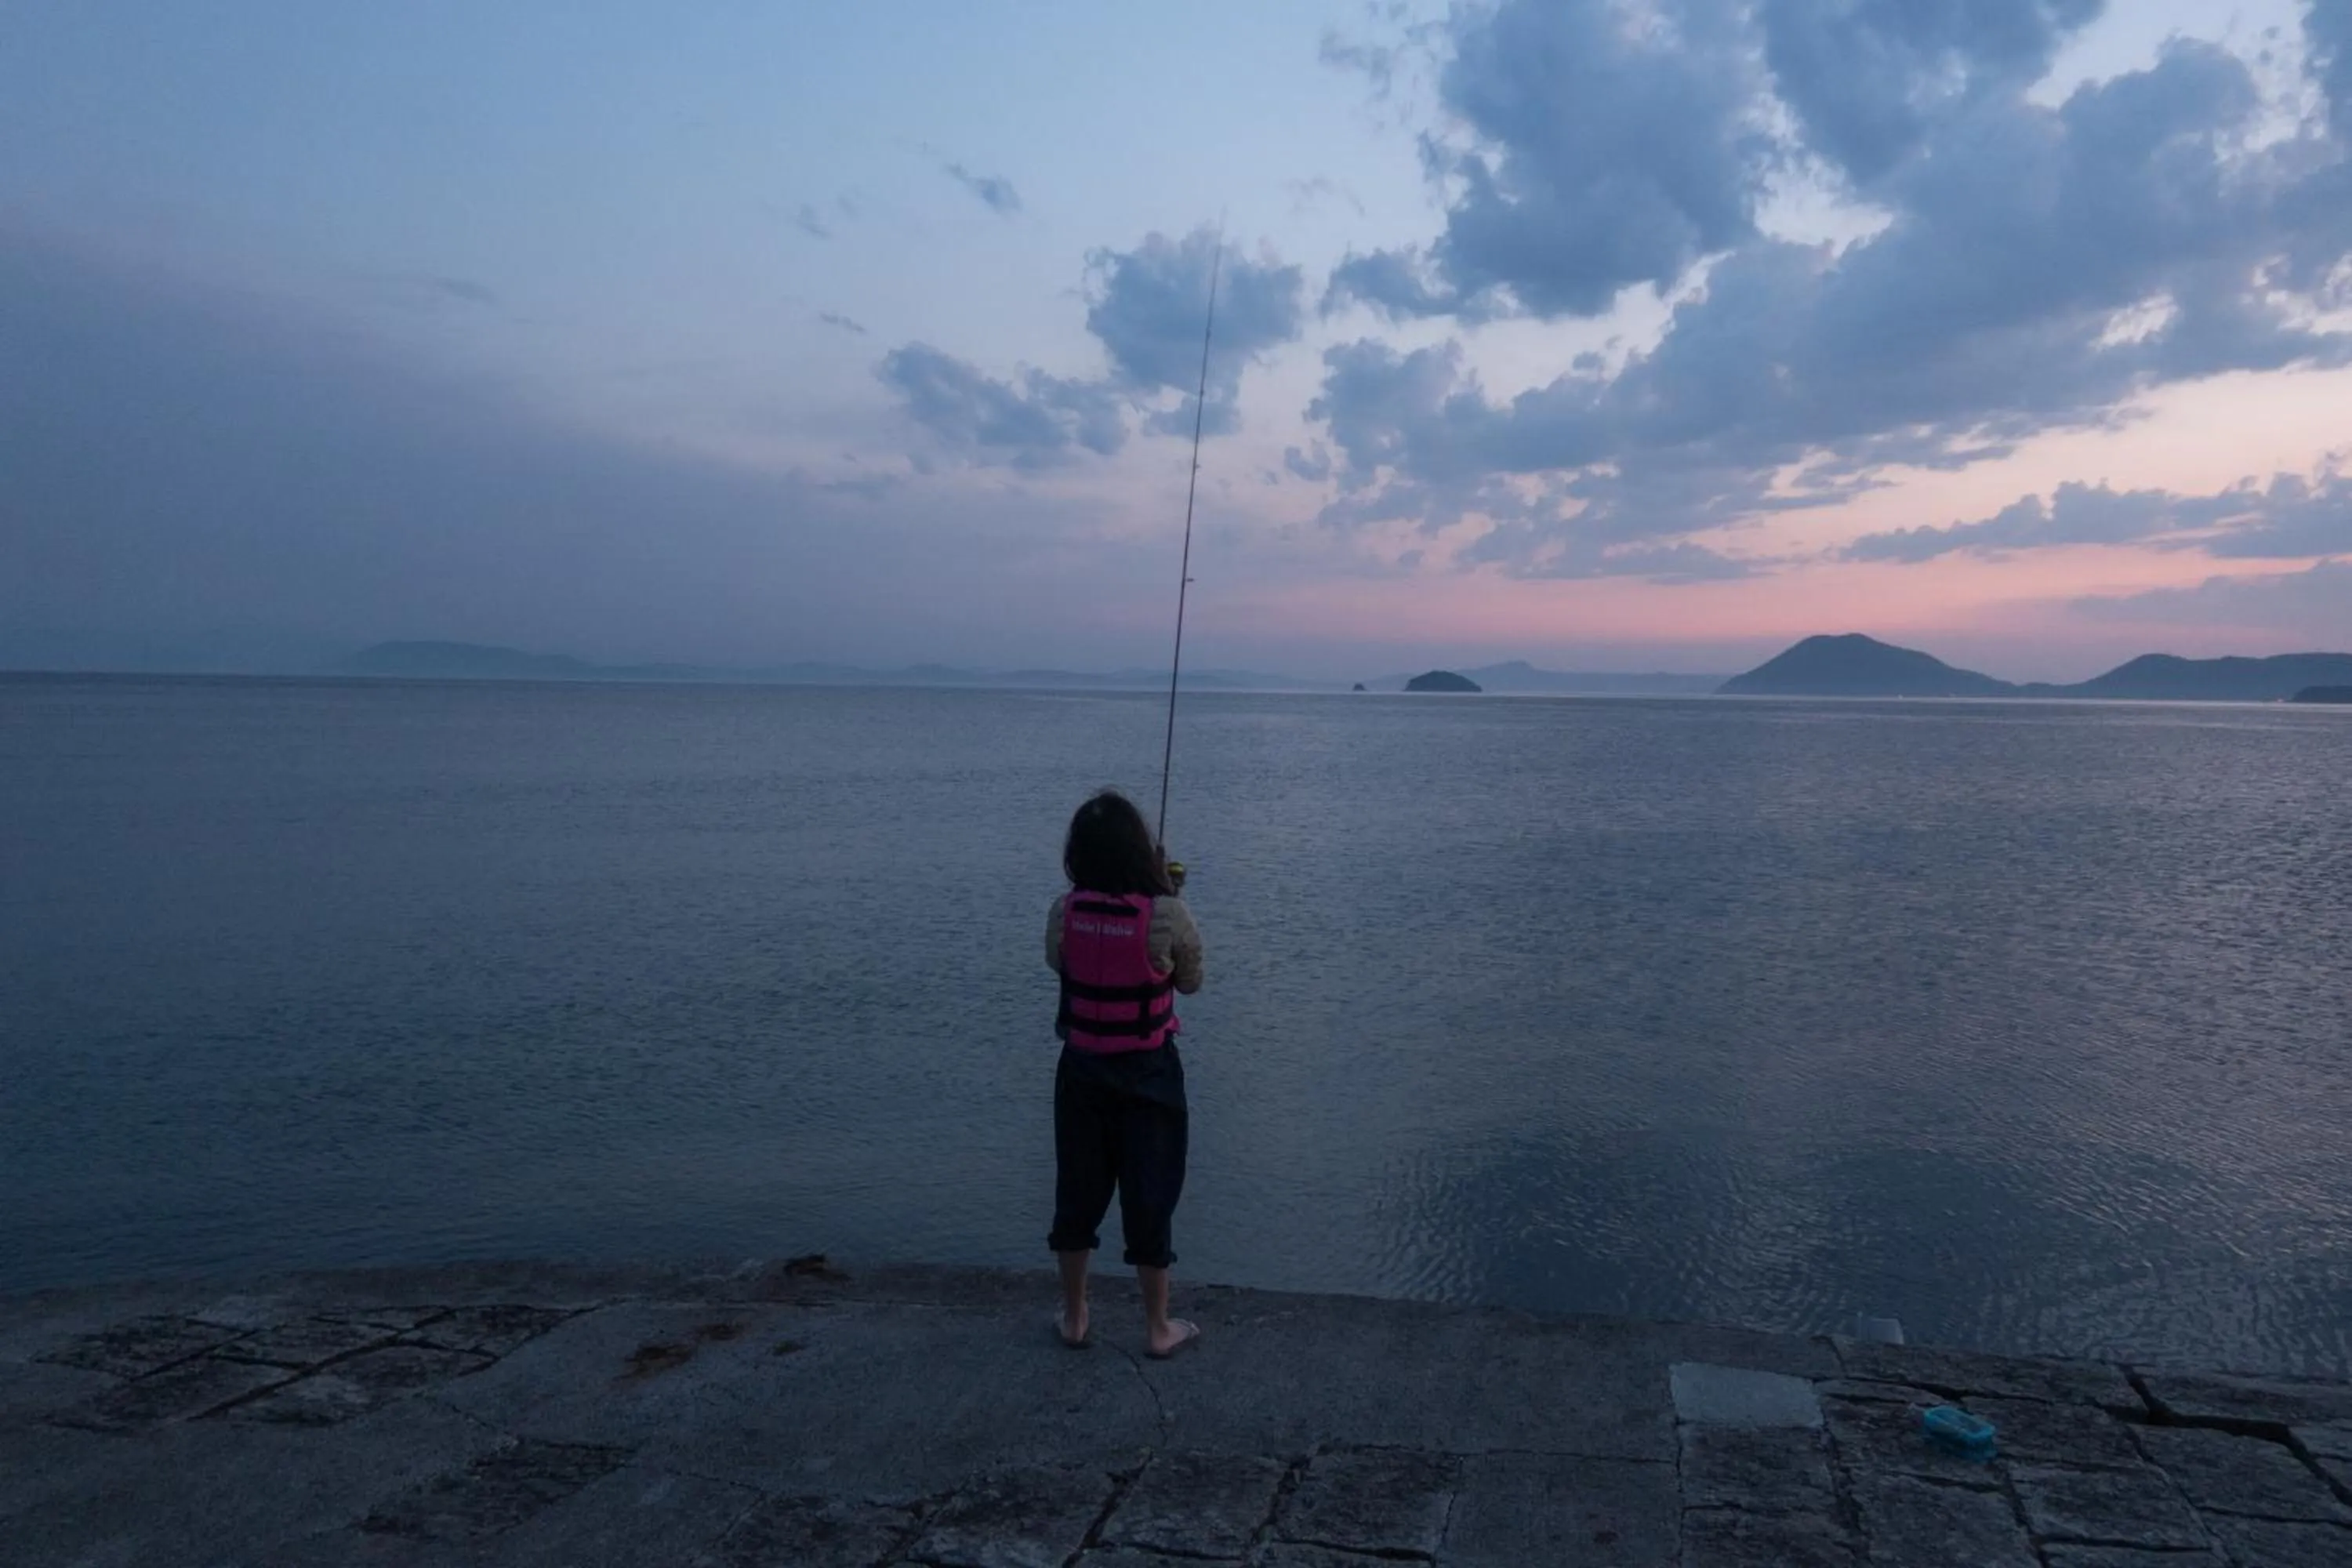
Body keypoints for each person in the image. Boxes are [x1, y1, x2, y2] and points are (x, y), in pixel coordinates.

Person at [1044, 789, 1204, 1358]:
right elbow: (1190, 981)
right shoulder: (1166, 913)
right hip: (1148, 1073)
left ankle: (1075, 1316)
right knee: (1150, 1193)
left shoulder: (1064, 912)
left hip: (1083, 1069)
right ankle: (1158, 1327)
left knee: (1078, 1190)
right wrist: (1167, 898)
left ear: (1078, 853)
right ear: (1140, 850)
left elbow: (1058, 962)